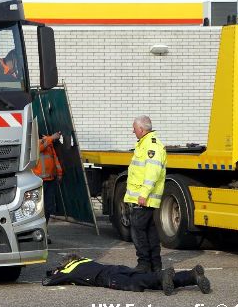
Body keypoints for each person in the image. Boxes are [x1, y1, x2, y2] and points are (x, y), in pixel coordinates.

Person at [42, 253, 211, 296]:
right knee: (144, 280)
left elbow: (48, 281)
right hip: (116, 268)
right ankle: (191, 276)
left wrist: (55, 271)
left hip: (107, 278)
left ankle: (161, 275)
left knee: (140, 282)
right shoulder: (83, 260)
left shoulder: (68, 270)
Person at [125, 115, 167, 273]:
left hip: (144, 198)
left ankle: (144, 264)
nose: (133, 131)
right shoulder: (146, 144)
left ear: (141, 129)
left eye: (134, 128)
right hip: (145, 198)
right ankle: (155, 265)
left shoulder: (151, 146)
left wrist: (143, 194)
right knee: (149, 230)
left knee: (138, 230)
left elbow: (152, 173)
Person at [32, 132, 63, 228]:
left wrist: (59, 174)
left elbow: (55, 161)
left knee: (48, 207)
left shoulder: (49, 145)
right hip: (38, 181)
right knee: (37, 207)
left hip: (50, 180)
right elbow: (39, 148)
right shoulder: (35, 143)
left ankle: (44, 229)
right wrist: (51, 138)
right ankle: (37, 229)